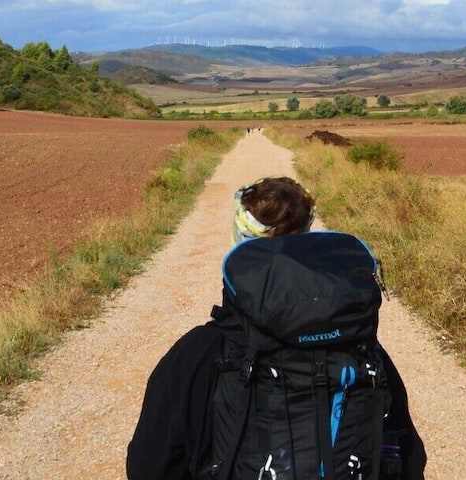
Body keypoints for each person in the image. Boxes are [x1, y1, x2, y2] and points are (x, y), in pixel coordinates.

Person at [128, 177, 425, 479]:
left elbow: (148, 464)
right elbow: (408, 457)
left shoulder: (199, 354)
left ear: (240, 245)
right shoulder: (364, 351)